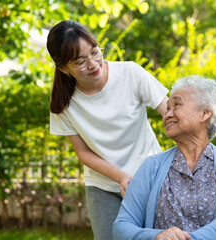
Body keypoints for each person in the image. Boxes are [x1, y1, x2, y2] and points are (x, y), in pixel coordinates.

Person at [46, 20, 169, 240]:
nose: (93, 64)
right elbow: (83, 154)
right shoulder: (62, 104)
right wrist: (121, 178)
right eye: (80, 62)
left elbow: (171, 114)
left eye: (95, 52)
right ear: (64, 68)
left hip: (150, 180)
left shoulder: (131, 73)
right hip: (102, 187)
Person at [113, 75, 216, 240]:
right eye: (167, 109)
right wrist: (156, 236)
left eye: (176, 105)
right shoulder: (151, 166)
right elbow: (122, 226)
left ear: (205, 113)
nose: (167, 115)